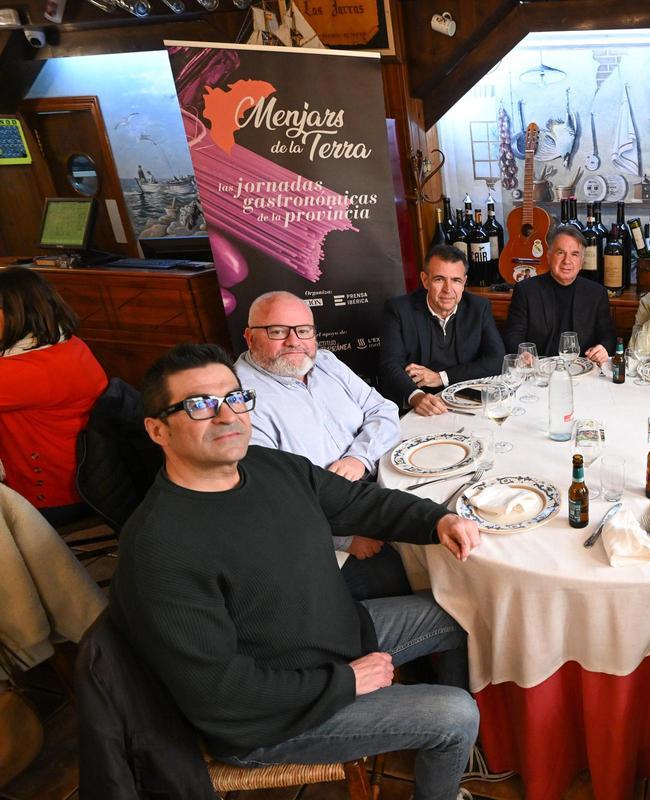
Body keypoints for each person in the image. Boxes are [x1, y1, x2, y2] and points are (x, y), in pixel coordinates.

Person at [110, 343, 481, 799]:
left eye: (234, 397)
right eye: (200, 405)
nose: (227, 416)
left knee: (465, 611)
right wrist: (346, 681)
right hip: (270, 719)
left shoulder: (268, 467)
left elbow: (359, 502)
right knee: (455, 714)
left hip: (339, 639)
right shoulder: (158, 547)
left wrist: (436, 519)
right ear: (158, 430)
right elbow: (219, 693)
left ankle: (432, 743)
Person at [235, 290, 410, 601]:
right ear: (250, 337)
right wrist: (343, 540)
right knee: (399, 574)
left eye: (304, 331)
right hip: (326, 526)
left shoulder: (325, 362)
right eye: (277, 331)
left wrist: (360, 457)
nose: (294, 341)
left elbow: (382, 410)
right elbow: (269, 495)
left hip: (377, 485)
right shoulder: (242, 399)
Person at [0, 266, 107, 525]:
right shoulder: (67, 344)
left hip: (49, 499)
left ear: (16, 313)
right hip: (86, 486)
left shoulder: (25, 371)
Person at [379, 244, 505, 416]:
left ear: (464, 282)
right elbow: (390, 364)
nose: (448, 289)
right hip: (421, 406)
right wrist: (416, 396)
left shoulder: (478, 307)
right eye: (439, 279)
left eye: (456, 280)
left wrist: (441, 377)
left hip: (466, 402)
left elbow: (497, 360)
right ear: (425, 280)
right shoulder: (399, 310)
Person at [503, 225, 616, 364]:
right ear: (549, 257)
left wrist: (603, 348)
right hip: (539, 369)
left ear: (581, 262)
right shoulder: (526, 290)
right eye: (560, 253)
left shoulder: (597, 293)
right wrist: (522, 354)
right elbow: (513, 335)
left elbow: (608, 336)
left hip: (583, 369)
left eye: (574, 254)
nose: (567, 261)